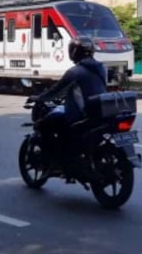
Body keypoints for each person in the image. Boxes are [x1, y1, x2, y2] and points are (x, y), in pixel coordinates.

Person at [29, 36, 107, 169]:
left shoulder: (75, 72)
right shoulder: (101, 68)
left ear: (74, 51)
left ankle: (57, 160)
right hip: (99, 112)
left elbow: (56, 90)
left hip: (82, 114)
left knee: (45, 124)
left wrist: (38, 98)